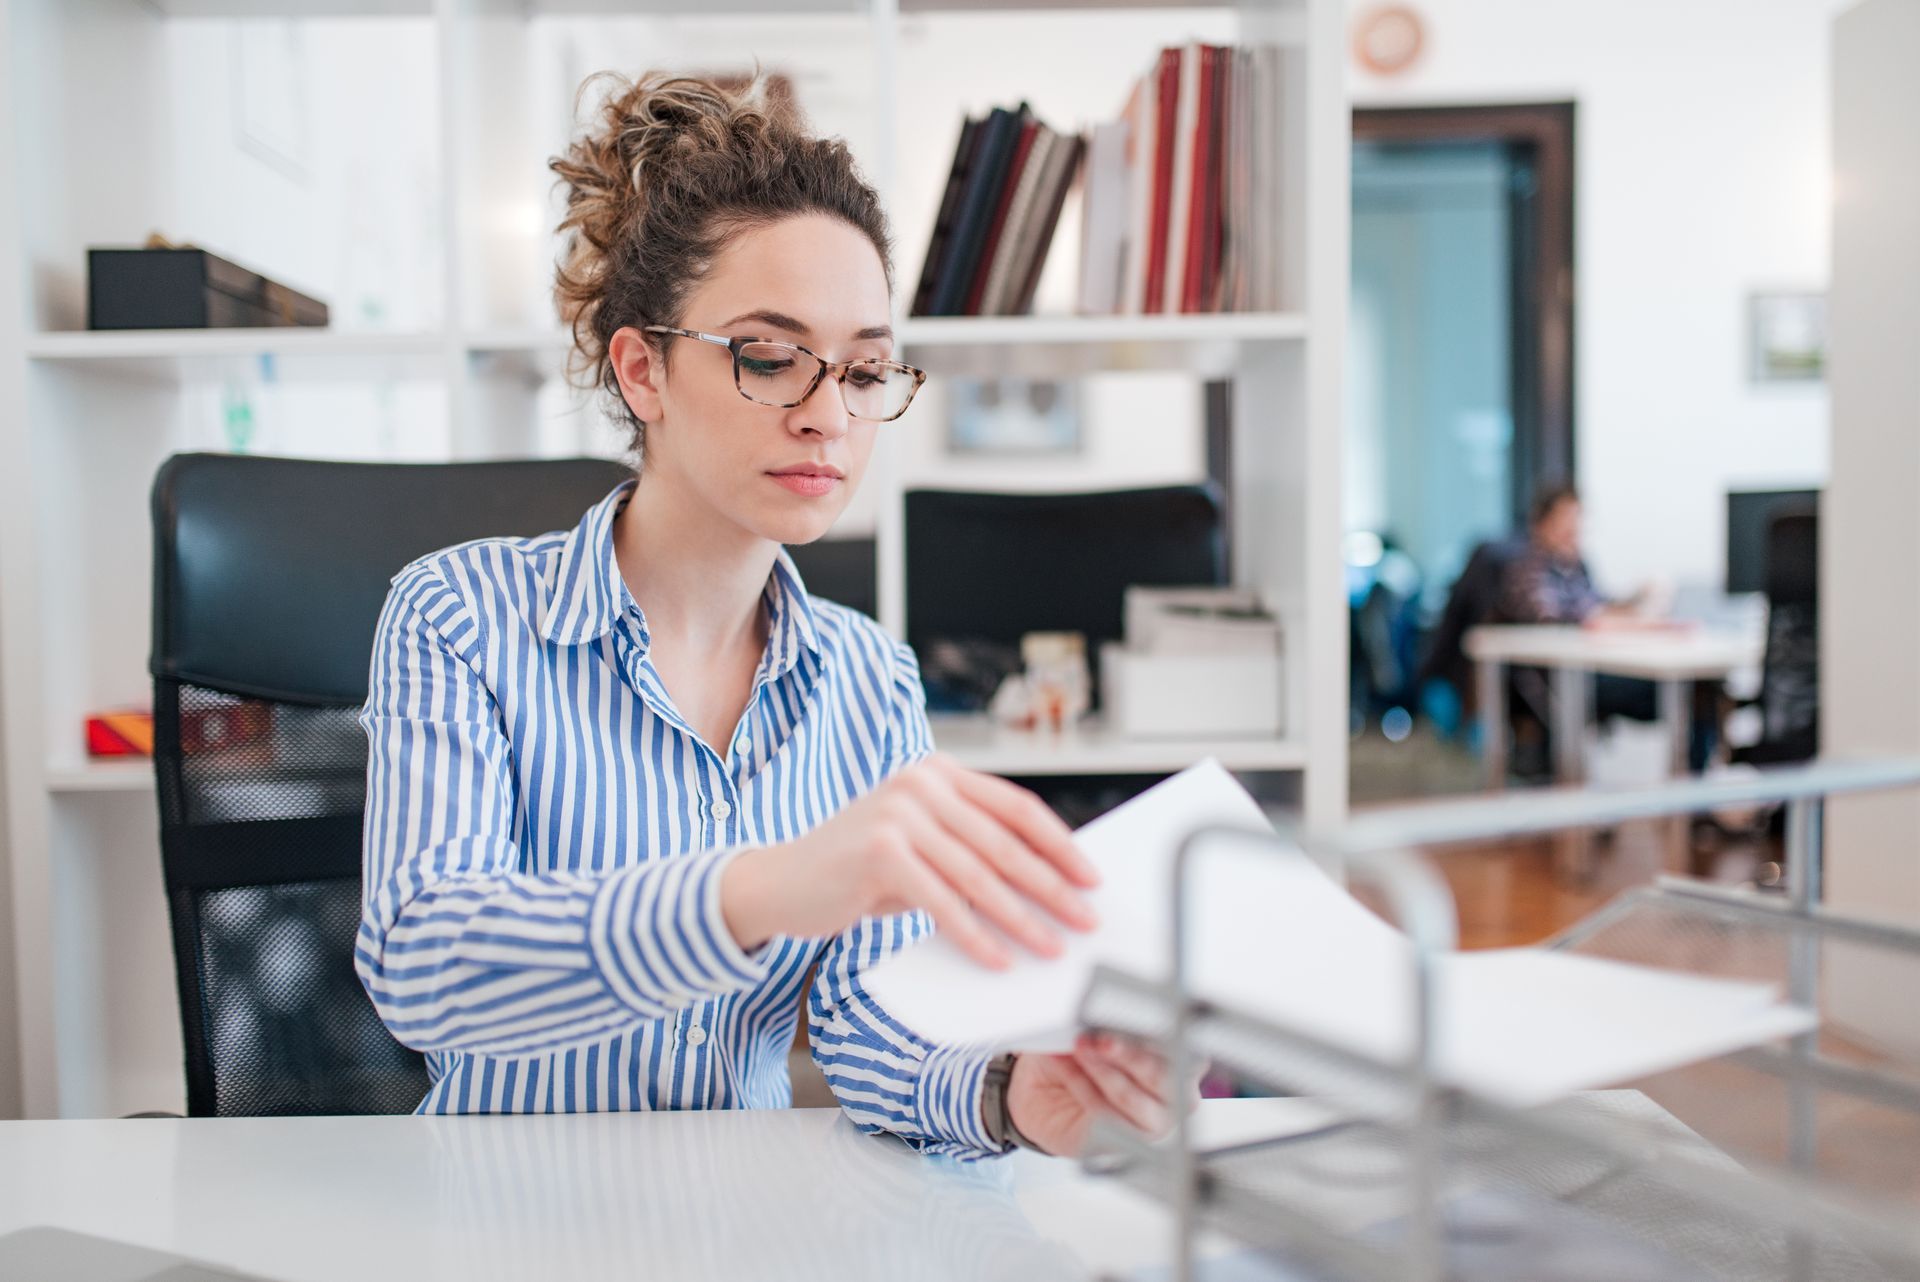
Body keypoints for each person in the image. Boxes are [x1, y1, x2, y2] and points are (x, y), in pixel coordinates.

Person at [352, 68, 1193, 1160]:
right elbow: (428, 968)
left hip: (741, 1225)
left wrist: (1006, 1094)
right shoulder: (459, 616)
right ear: (643, 369)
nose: (827, 416)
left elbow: (869, 1019)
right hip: (506, 1213)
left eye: (866, 369)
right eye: (769, 356)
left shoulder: (866, 678)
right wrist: (762, 888)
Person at [1495, 484, 1714, 772]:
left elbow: (1597, 603)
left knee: (1702, 689)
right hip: (1560, 680)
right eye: (1565, 519)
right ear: (1542, 522)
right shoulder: (1526, 566)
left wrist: (1634, 602)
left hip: (1593, 667)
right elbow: (1550, 617)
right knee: (1688, 692)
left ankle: (1695, 803)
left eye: (1577, 519)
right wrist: (1602, 618)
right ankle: (1691, 803)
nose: (1573, 529)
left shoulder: (1575, 563)